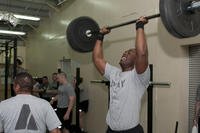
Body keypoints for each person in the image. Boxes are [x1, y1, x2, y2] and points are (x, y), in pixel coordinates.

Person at [92, 16, 150, 133]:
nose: (125, 53)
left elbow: (142, 53)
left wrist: (139, 26)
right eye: (125, 52)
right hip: (111, 130)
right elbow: (97, 59)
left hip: (131, 131)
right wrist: (100, 35)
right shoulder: (114, 73)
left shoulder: (139, 77)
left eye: (130, 52)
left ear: (136, 59)